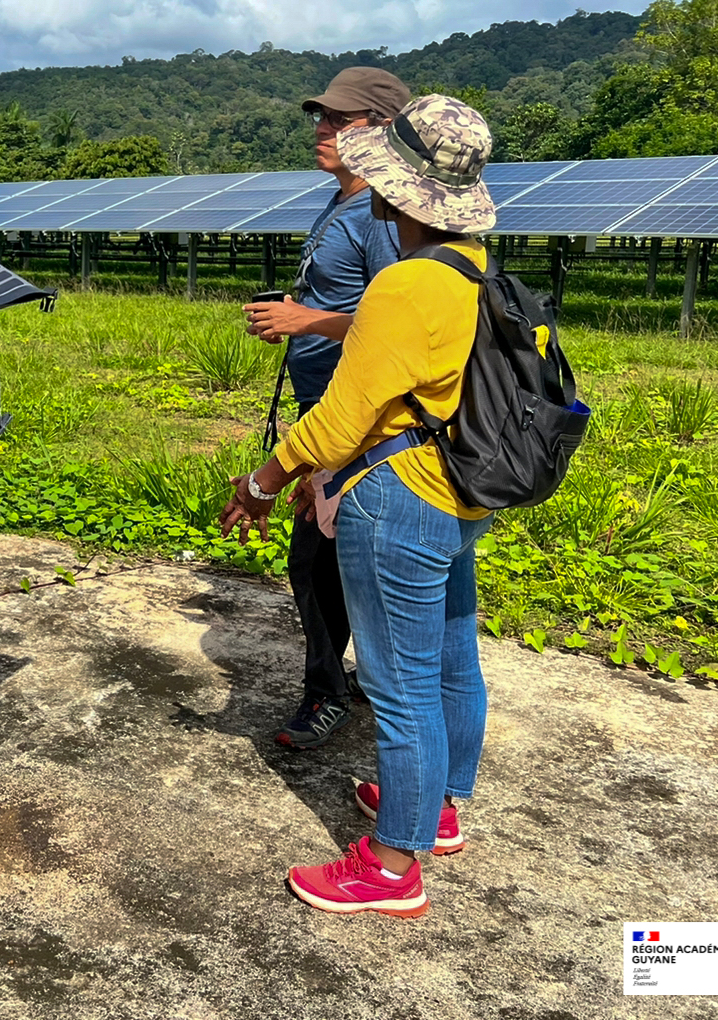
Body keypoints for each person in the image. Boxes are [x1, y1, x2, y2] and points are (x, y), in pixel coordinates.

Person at [221, 95, 499, 917]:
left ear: (393, 191)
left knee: (399, 682)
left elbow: (343, 416)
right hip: (457, 489)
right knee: (451, 655)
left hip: (398, 497)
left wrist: (265, 480)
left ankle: (390, 865)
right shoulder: (473, 266)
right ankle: (438, 808)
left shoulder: (405, 285)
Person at [244, 66, 409, 750]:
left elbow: (395, 328)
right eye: (322, 118)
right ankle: (361, 683)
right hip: (325, 414)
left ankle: (330, 694)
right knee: (333, 561)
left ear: (382, 130)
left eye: (340, 121)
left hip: (359, 422)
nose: (322, 129)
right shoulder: (342, 203)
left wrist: (304, 322)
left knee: (317, 563)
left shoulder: (383, 215)